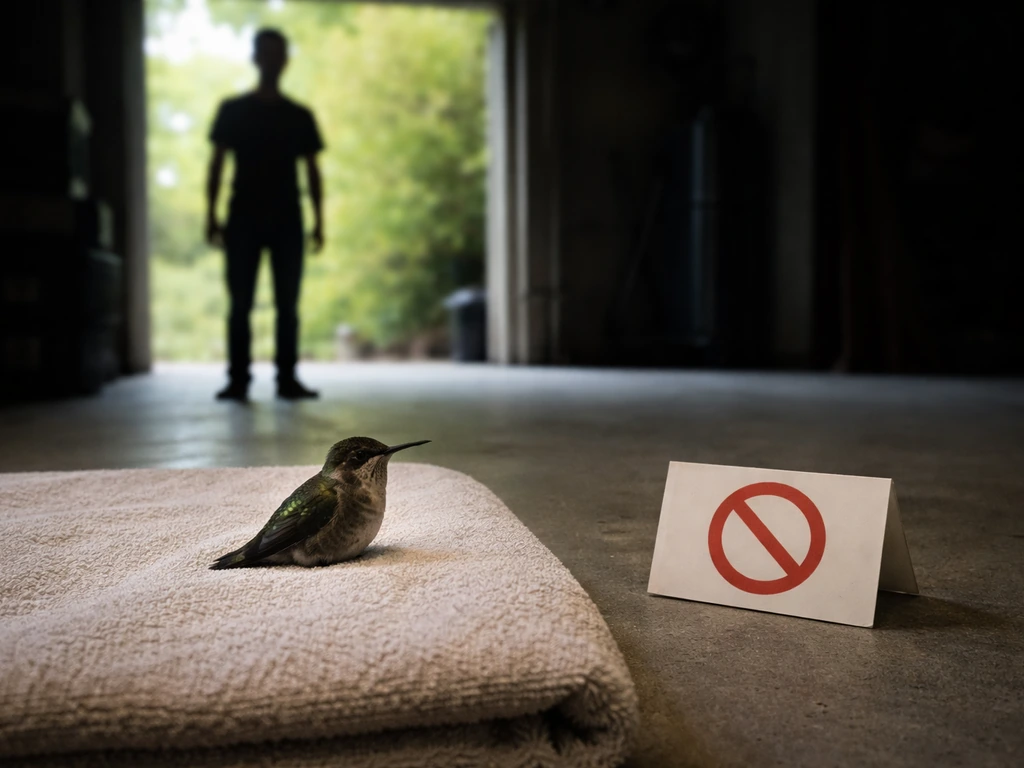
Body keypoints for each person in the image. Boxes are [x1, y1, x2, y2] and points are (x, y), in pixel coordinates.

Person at [205, 28, 324, 401]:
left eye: (278, 53)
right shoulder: (233, 111)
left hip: (288, 217)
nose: (272, 60)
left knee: (287, 304)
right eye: (266, 53)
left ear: (285, 60)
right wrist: (211, 214)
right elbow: (217, 164)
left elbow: (312, 171)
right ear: (255, 58)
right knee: (239, 303)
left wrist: (319, 220)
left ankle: (286, 378)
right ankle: (238, 379)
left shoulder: (299, 116)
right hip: (243, 217)